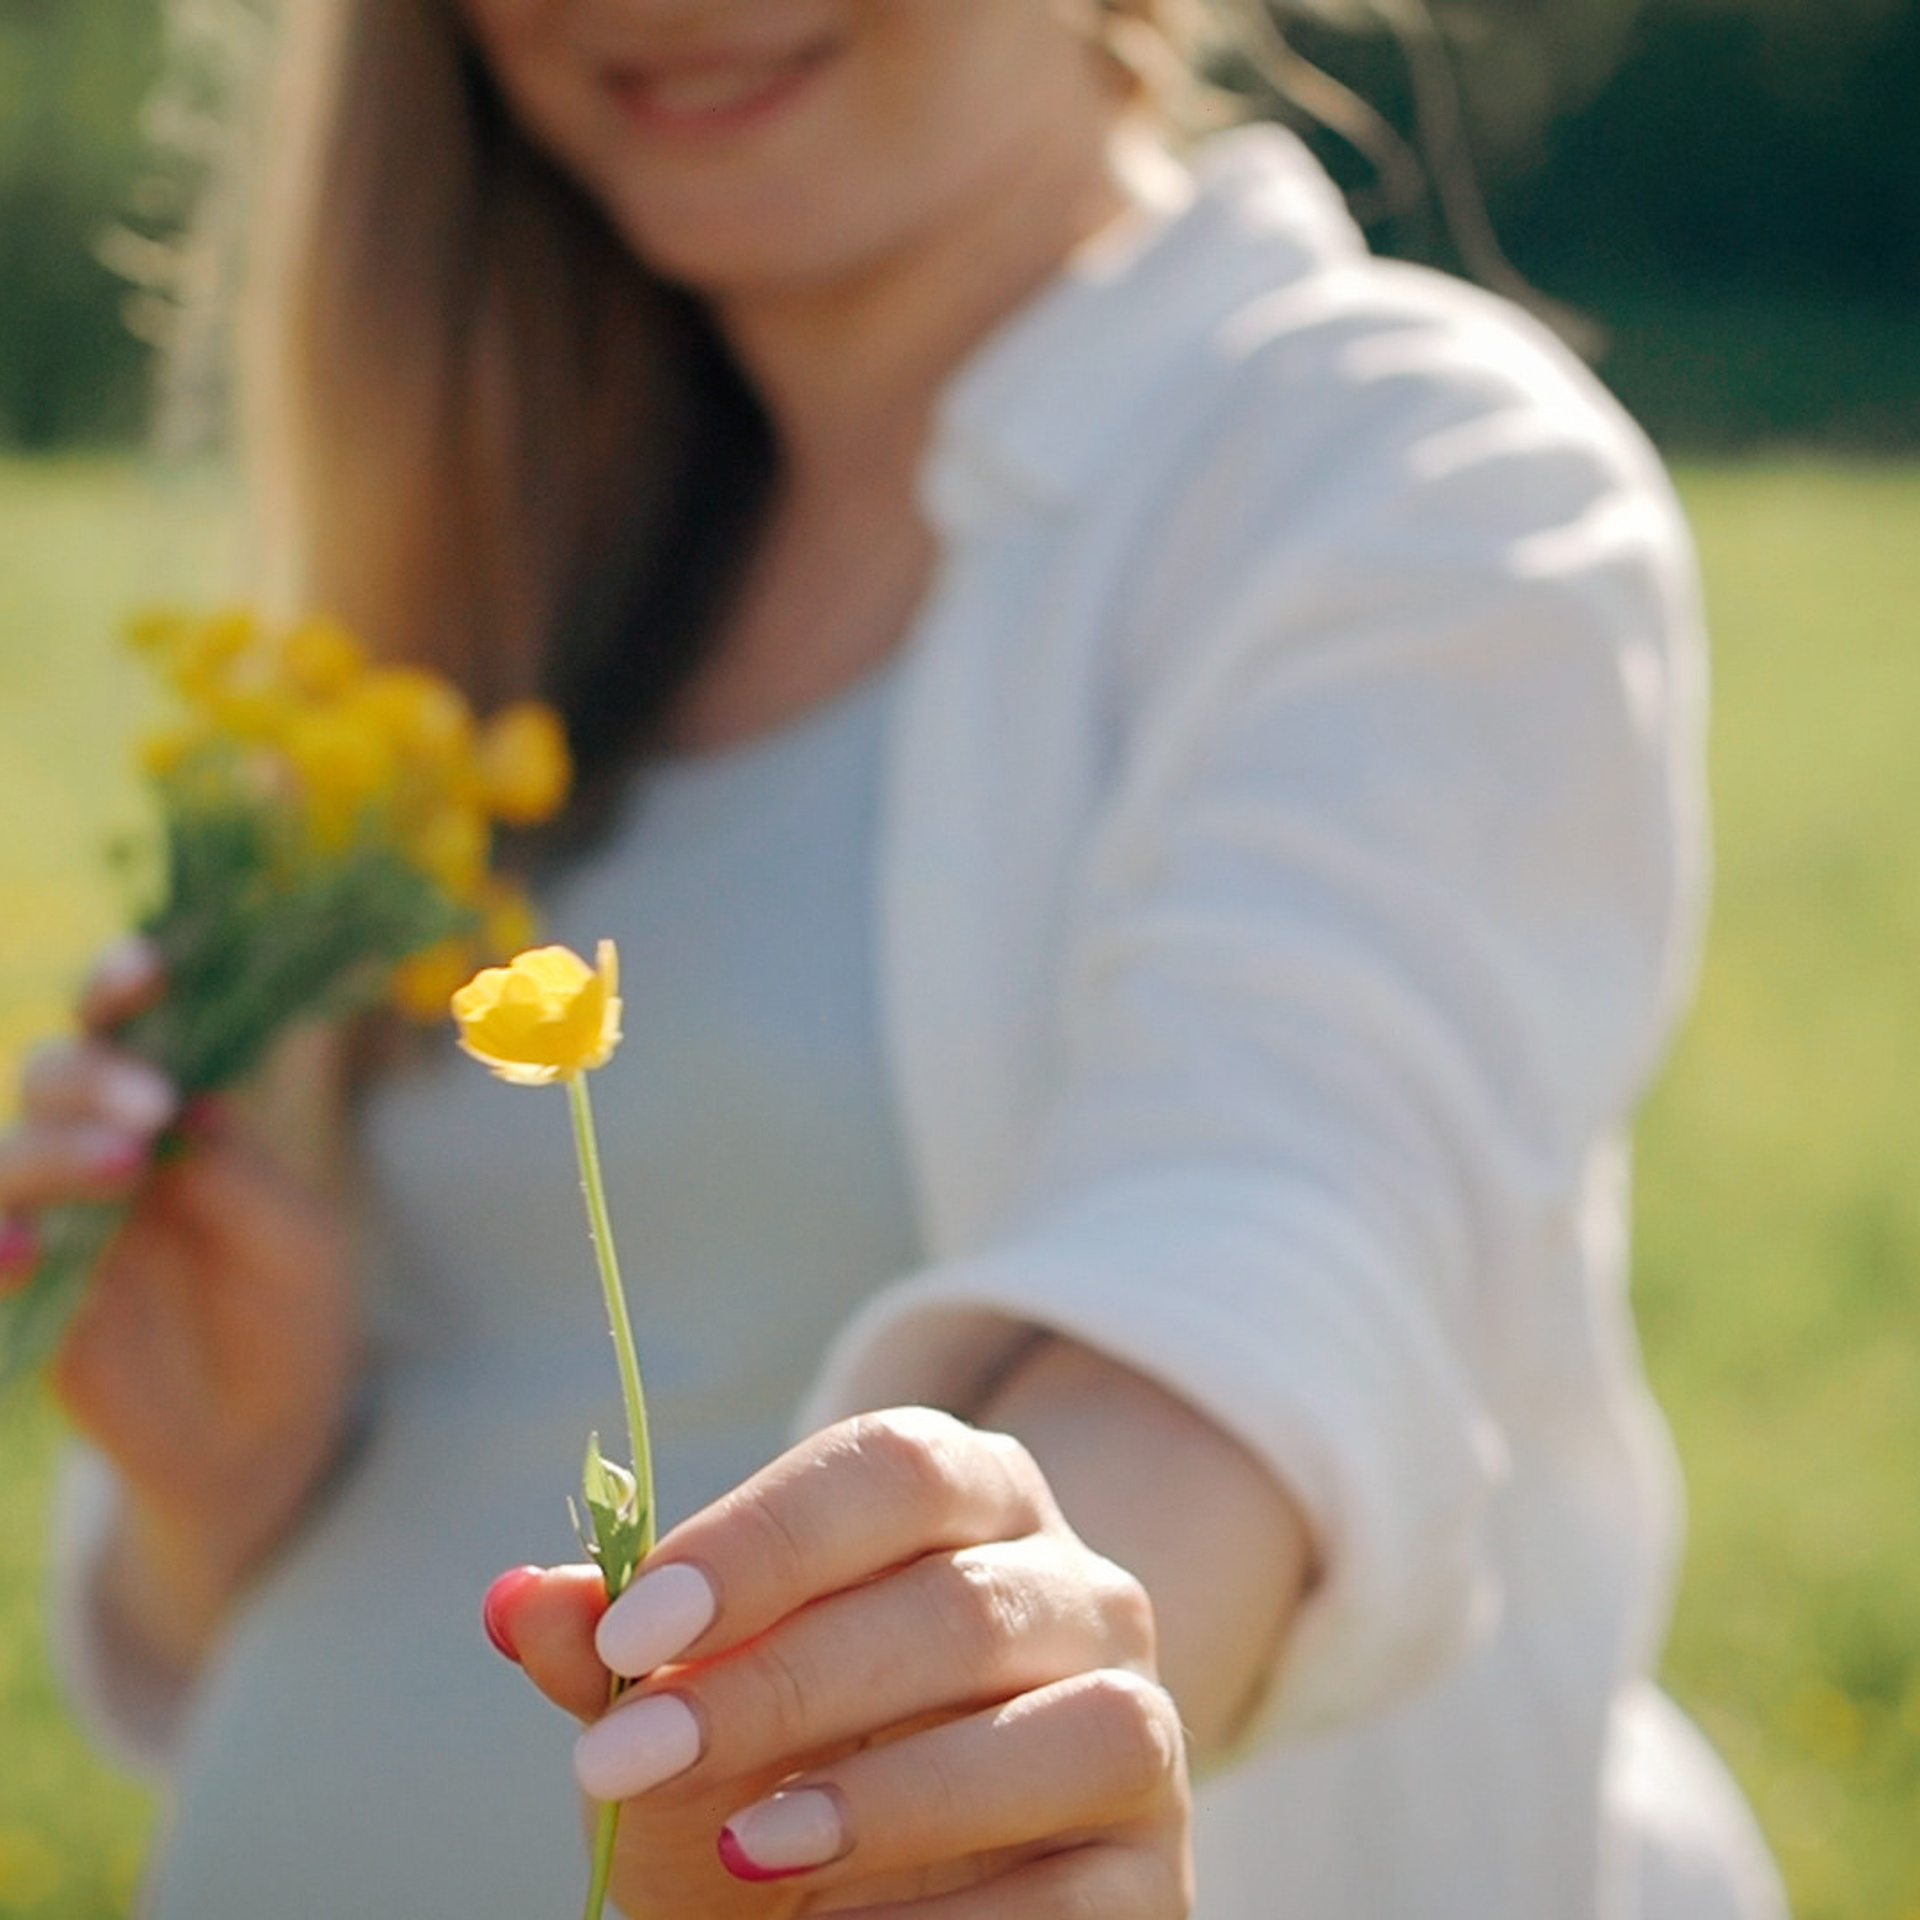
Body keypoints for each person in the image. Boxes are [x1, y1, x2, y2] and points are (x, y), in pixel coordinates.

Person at [0, 1, 1790, 1915]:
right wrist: (224, 1478)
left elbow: (1277, 1270)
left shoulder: (1396, 468)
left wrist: (981, 1731)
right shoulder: (490, 568)